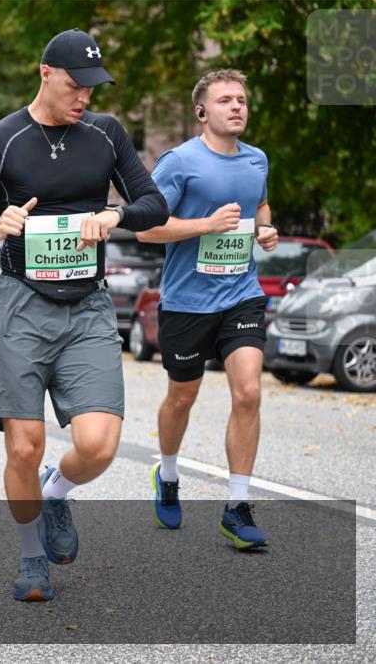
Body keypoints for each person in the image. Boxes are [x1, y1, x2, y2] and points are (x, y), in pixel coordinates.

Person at [0, 28, 168, 602]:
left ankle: (56, 492)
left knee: (98, 445)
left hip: (89, 305)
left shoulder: (107, 134)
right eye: (74, 84)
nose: (84, 96)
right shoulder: (1, 140)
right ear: (45, 74)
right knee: (22, 446)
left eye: (93, 86)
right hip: (21, 305)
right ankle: (31, 556)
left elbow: (154, 203)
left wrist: (115, 216)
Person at [137, 69, 278, 549]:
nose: (236, 106)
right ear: (202, 111)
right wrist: (205, 226)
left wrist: (267, 231)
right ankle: (169, 474)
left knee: (249, 392)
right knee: (182, 397)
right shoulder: (178, 163)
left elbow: (260, 207)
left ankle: (237, 508)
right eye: (225, 100)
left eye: (241, 99)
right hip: (187, 303)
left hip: (241, 294)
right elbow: (145, 230)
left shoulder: (257, 160)